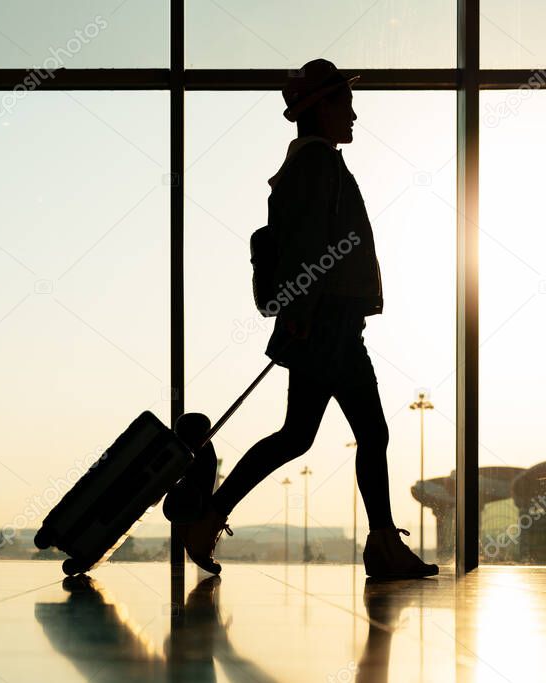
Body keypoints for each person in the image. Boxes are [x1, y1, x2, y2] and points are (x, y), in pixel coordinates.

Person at [183, 59, 438, 581]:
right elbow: (308, 248)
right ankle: (381, 544)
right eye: (344, 101)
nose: (353, 113)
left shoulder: (313, 163)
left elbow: (309, 247)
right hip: (328, 324)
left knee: (309, 435)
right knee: (363, 433)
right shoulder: (315, 165)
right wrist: (302, 318)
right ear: (321, 108)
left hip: (333, 322)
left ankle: (212, 514)